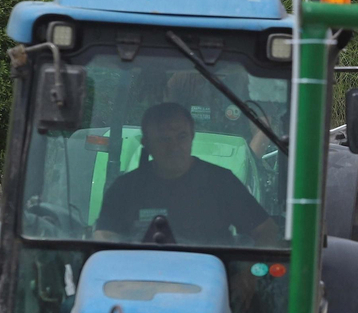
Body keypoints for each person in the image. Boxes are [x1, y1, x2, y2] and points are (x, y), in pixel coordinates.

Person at [94, 102, 279, 245]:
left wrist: (247, 273)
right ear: (146, 143)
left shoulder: (221, 183)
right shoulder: (125, 188)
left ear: (192, 136)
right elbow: (104, 236)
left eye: (181, 137)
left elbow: (266, 231)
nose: (174, 147)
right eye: (164, 139)